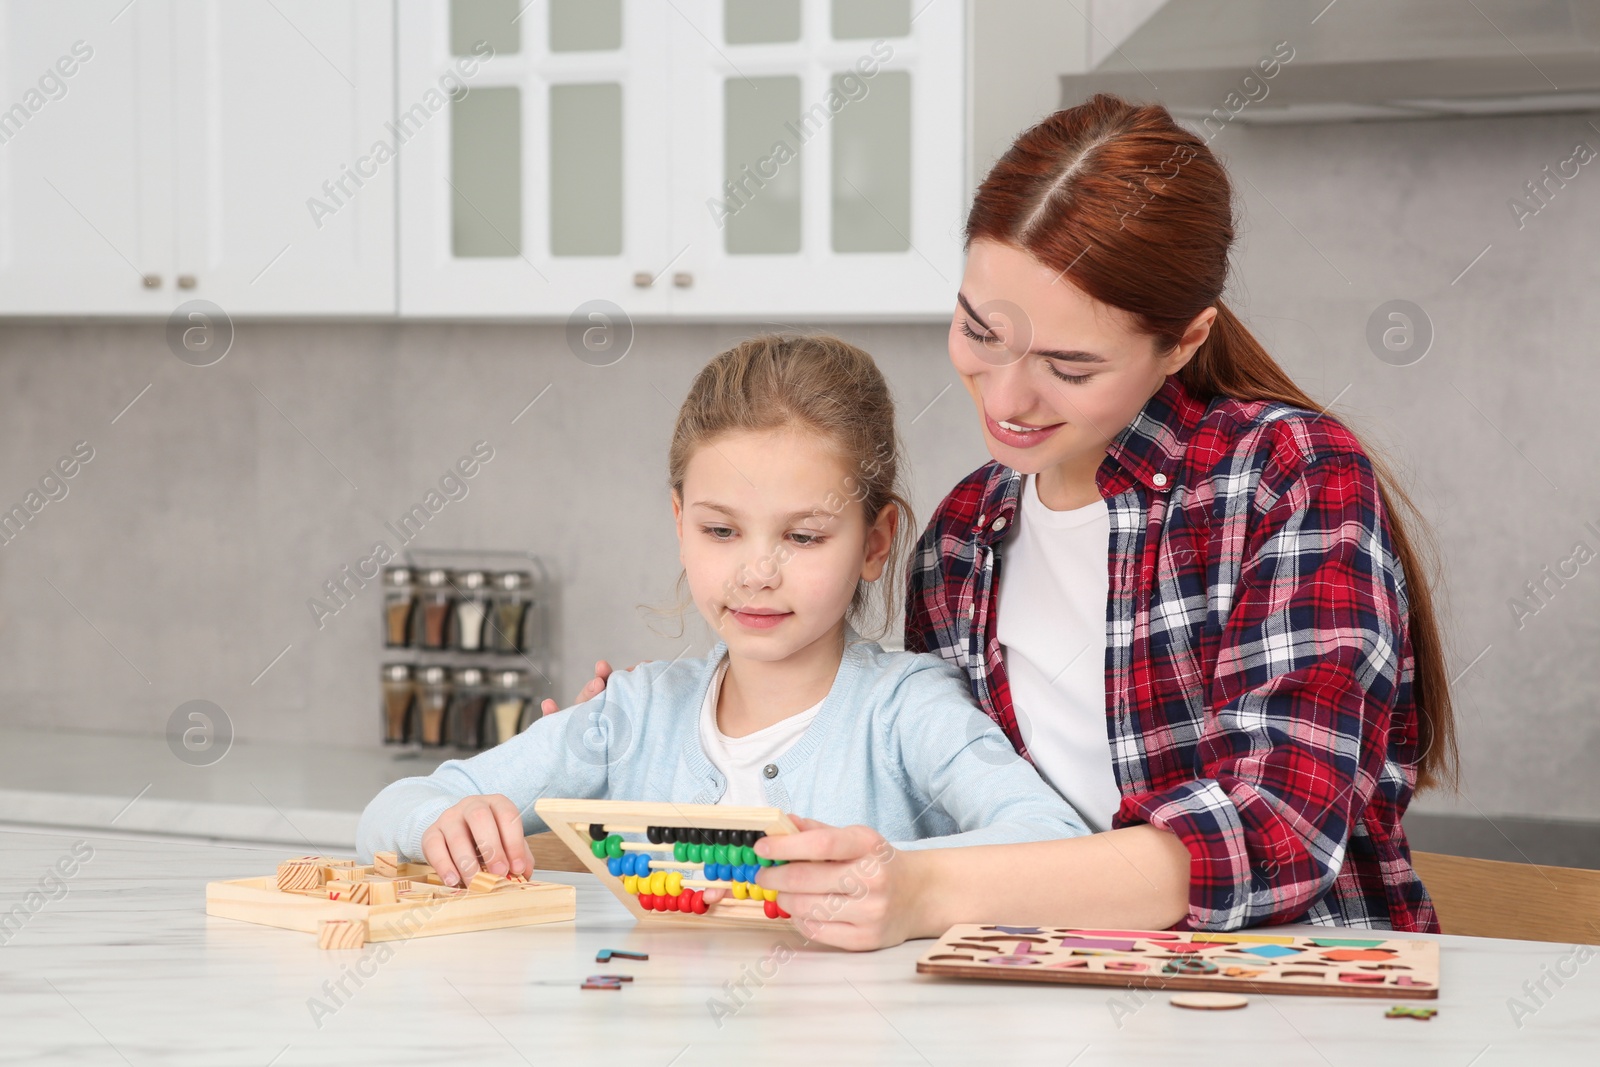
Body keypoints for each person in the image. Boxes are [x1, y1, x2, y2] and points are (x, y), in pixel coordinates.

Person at [566, 94, 1457, 950]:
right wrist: (661, 740)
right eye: (981, 331)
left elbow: (1276, 829)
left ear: (1182, 343)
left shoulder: (1284, 475)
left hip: (1286, 994)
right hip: (1024, 990)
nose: (1008, 397)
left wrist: (927, 890)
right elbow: (921, 787)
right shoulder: (962, 538)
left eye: (1069, 366)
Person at [356, 335, 1089, 890]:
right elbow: (395, 810)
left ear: (875, 542)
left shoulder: (907, 712)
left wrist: (889, 869)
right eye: (720, 531)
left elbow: (1049, 841)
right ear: (678, 521)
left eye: (803, 536)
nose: (757, 572)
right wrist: (439, 822)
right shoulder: (632, 717)